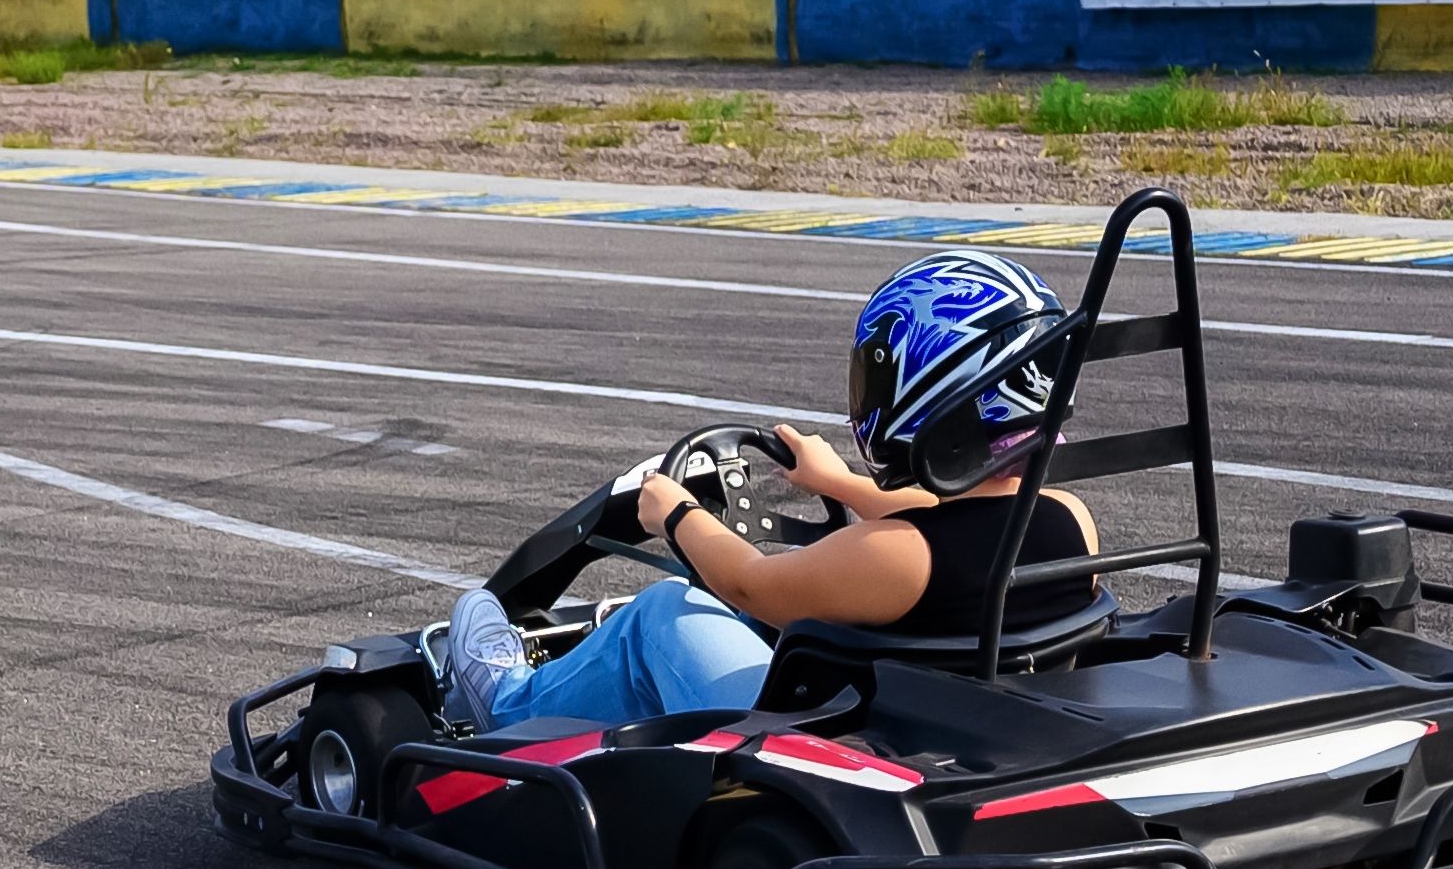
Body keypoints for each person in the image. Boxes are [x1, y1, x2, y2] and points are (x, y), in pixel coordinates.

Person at [441, 249, 1100, 736]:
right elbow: (949, 521)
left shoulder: (890, 558)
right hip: (964, 718)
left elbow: (750, 582)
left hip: (833, 733)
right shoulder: (1069, 518)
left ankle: (504, 702)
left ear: (936, 386)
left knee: (663, 613)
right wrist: (836, 480)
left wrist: (675, 512)